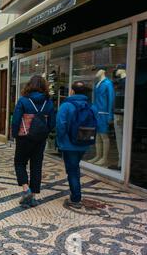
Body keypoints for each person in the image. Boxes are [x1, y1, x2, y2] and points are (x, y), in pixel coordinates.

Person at [12, 75, 56, 208]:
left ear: (29, 85)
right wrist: (44, 131)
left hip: (24, 137)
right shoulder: (48, 102)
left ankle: (26, 190)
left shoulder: (23, 101)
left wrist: (15, 135)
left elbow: (16, 120)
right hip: (40, 139)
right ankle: (34, 196)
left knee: (19, 163)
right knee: (36, 166)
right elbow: (52, 122)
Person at [57, 81, 96, 209]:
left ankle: (75, 198)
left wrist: (60, 141)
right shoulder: (90, 106)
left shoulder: (66, 105)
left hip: (69, 145)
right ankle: (76, 195)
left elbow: (60, 125)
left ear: (72, 91)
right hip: (84, 144)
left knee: (72, 171)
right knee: (75, 168)